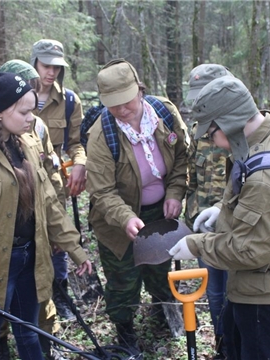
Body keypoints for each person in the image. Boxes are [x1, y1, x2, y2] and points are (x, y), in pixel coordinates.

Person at [0, 71, 92, 360]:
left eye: (33, 110)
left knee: (29, 331)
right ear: (1, 111)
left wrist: (75, 249)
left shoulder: (25, 143)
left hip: (30, 256)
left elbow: (48, 201)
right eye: (24, 111)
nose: (31, 118)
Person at [169, 76, 270, 360]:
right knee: (234, 344)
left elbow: (253, 250)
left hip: (267, 294)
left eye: (211, 135)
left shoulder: (267, 178)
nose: (212, 143)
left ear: (229, 123)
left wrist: (197, 246)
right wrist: (224, 209)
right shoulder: (267, 133)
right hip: (254, 283)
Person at [85, 59, 190, 354]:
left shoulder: (165, 114)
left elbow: (182, 156)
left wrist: (175, 192)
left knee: (160, 269)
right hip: (116, 222)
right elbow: (102, 190)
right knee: (123, 279)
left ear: (140, 90)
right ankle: (125, 329)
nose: (121, 110)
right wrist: (125, 217)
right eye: (113, 104)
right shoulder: (101, 133)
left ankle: (162, 314)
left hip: (160, 212)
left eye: (126, 101)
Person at [0, 59, 64, 360]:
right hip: (4, 235)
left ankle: (46, 344)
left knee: (40, 292)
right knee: (1, 300)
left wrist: (55, 221)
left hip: (38, 225)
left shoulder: (39, 126)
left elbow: (50, 172)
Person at [30, 39, 87, 320]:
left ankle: (60, 295)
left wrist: (79, 165)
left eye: (56, 67)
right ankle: (32, 300)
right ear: (34, 63)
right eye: (45, 65)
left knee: (58, 239)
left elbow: (77, 143)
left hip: (54, 183)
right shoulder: (16, 94)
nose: (51, 72)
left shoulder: (70, 101)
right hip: (23, 181)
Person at [183, 64, 232, 360]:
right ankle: (223, 346)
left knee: (236, 294)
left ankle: (238, 348)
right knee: (214, 293)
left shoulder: (242, 129)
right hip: (205, 230)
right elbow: (193, 177)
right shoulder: (198, 131)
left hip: (238, 231)